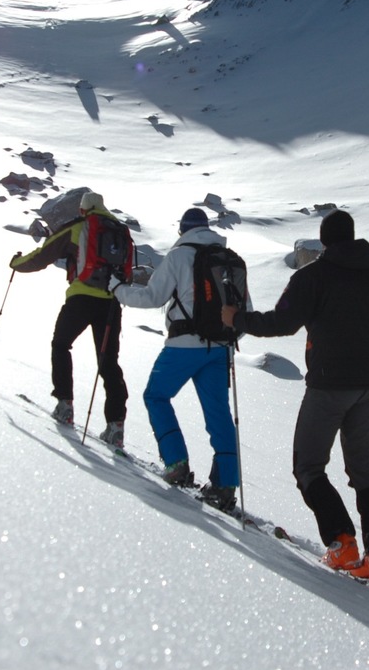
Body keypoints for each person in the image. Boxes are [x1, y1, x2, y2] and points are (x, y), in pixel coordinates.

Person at [221, 209, 369, 581]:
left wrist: (237, 319)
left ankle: (342, 544)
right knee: (363, 469)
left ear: (324, 239)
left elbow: (281, 323)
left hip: (328, 385)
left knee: (308, 466)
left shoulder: (312, 276)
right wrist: (364, 353)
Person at [110, 207, 245, 510]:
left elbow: (152, 297)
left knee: (156, 396)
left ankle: (177, 464)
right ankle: (224, 486)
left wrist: (118, 291)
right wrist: (226, 338)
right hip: (220, 348)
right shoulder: (229, 259)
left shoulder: (179, 255)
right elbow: (244, 309)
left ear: (183, 230)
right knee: (219, 415)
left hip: (182, 346)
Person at [10, 191, 128, 448]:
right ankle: (116, 425)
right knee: (108, 361)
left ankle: (65, 404)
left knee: (61, 344)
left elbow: (43, 256)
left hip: (81, 297)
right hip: (111, 303)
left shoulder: (78, 227)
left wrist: (17, 264)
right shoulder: (120, 231)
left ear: (84, 210)